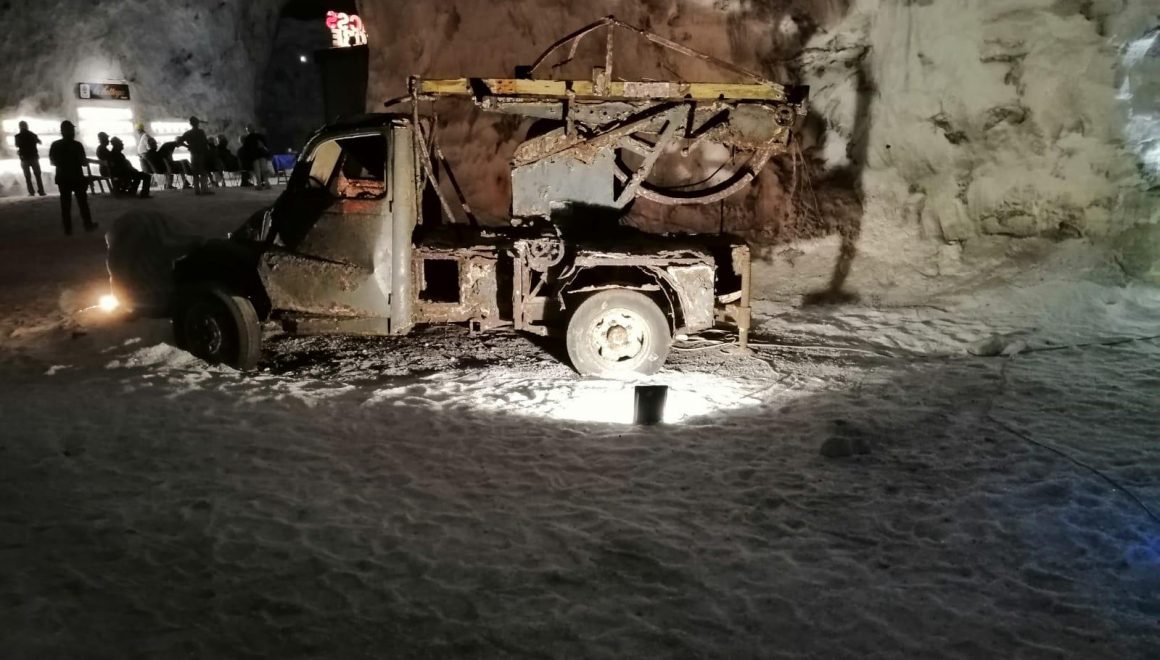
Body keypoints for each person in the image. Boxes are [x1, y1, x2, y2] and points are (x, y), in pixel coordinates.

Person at [48, 121, 97, 236]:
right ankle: (88, 224)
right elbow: (83, 163)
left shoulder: (55, 145)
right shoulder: (77, 145)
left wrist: (63, 163)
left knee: (65, 204)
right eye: (72, 130)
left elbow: (52, 162)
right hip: (77, 177)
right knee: (83, 203)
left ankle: (68, 229)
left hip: (63, 178)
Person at [178, 116, 212, 195]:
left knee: (195, 173)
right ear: (198, 123)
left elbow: (179, 141)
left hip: (193, 154)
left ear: (190, 124)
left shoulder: (188, 133)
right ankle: (204, 189)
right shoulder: (201, 132)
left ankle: (197, 190)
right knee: (203, 172)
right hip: (201, 154)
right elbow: (205, 143)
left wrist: (187, 146)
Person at [15, 121, 46, 197]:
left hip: (24, 158)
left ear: (19, 127)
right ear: (27, 126)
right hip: (34, 157)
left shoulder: (17, 136)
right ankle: (41, 191)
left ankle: (31, 192)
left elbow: (17, 145)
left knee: (27, 177)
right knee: (38, 176)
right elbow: (40, 142)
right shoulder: (33, 135)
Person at [241, 125, 273, 190]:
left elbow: (246, 149)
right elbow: (265, 145)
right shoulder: (259, 136)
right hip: (261, 154)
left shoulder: (248, 138)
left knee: (257, 170)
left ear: (248, 130)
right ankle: (267, 183)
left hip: (254, 156)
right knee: (264, 169)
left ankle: (259, 184)